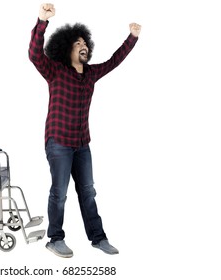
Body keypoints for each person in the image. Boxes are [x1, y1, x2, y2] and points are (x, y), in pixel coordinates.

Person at [29, 3, 141, 258]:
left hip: (82, 143)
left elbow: (114, 61)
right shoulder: (55, 71)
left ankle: (98, 238)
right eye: (77, 43)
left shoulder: (90, 74)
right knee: (59, 193)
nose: (83, 46)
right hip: (58, 142)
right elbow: (34, 54)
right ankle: (55, 239)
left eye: (85, 43)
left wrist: (132, 38)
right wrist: (42, 21)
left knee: (88, 191)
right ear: (67, 48)